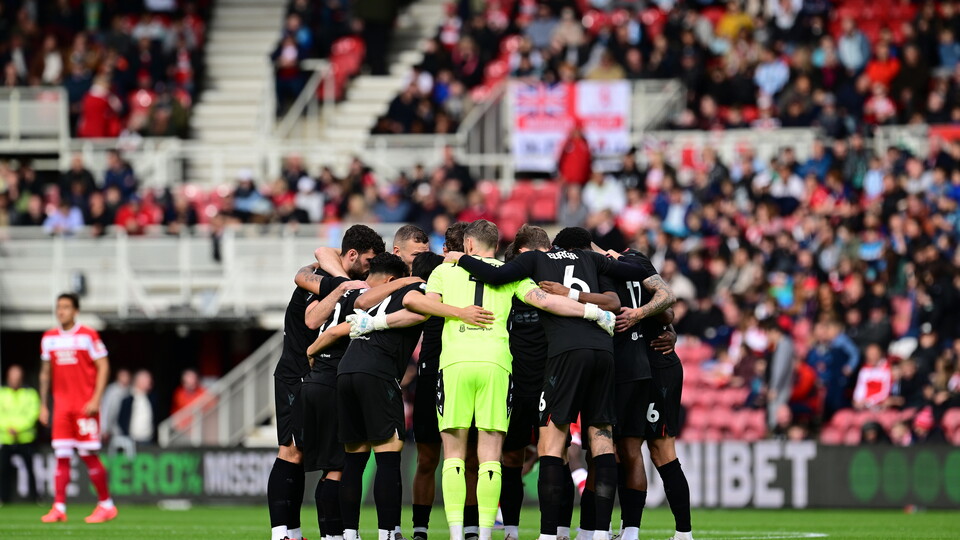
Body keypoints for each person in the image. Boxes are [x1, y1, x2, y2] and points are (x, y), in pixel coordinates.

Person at [353, 225, 616, 540]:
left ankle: (454, 533)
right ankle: (486, 533)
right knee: (490, 455)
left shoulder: (444, 272)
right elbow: (547, 302)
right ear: (496, 245)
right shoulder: (511, 274)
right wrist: (593, 313)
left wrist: (457, 313)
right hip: (496, 366)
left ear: (467, 244)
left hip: (454, 365)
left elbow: (415, 303)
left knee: (453, 454)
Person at [446, 227, 653, 540]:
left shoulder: (534, 262)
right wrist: (607, 254)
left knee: (551, 447)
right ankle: (597, 533)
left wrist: (461, 257)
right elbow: (638, 270)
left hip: (564, 356)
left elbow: (497, 275)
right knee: (602, 441)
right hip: (603, 350)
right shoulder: (590, 258)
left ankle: (548, 534)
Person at [542, 239, 676, 540]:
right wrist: (665, 325)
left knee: (592, 449)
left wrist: (643, 317)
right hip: (620, 365)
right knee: (619, 451)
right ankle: (616, 531)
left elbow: (666, 307)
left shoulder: (601, 265)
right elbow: (667, 308)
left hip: (608, 365)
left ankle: (595, 531)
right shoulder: (630, 263)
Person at [269, 224, 386, 540]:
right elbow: (311, 314)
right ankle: (284, 533)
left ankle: (301, 533)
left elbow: (322, 254)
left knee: (326, 459)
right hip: (297, 374)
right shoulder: (326, 282)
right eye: (367, 260)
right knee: (292, 451)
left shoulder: (336, 278)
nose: (370, 268)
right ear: (351, 254)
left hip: (317, 377)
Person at [303, 252, 423, 540]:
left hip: (345, 372)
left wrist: (311, 350)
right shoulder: (412, 292)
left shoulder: (365, 302)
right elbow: (418, 312)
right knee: (388, 458)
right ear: (395, 279)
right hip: (378, 373)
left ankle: (349, 534)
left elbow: (336, 331)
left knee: (354, 461)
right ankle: (388, 534)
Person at [39, 293, 117, 523]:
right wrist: (44, 405)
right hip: (62, 408)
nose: (60, 311)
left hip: (85, 407)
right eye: (58, 307)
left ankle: (106, 505)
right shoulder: (49, 338)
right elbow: (45, 373)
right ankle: (59, 508)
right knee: (61, 456)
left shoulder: (87, 335)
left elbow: (104, 366)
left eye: (65, 307)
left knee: (88, 454)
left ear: (76, 311)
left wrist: (96, 399)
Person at [0, 365, 40, 504]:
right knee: (4, 471)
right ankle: (4, 499)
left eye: (17, 378)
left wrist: (18, 428)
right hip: (6, 438)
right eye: (12, 377)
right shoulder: (2, 393)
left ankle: (35, 498)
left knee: (30, 470)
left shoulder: (30, 394)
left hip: (25, 438)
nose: (14, 380)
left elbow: (33, 414)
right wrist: (7, 428)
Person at [117, 370, 157, 445]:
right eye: (147, 380)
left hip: (148, 441)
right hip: (131, 441)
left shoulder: (152, 399)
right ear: (139, 381)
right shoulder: (127, 399)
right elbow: (121, 419)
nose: (150, 382)